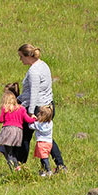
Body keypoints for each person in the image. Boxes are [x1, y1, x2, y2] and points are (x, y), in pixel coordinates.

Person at [16, 43, 66, 172]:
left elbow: (34, 93)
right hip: (49, 106)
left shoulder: (34, 71)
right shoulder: (43, 65)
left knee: (25, 137)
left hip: (38, 108)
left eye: (21, 56)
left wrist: (31, 112)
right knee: (46, 137)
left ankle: (21, 166)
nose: (20, 59)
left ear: (28, 56)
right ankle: (59, 165)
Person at [0, 82, 29, 171]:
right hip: (18, 133)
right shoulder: (21, 108)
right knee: (13, 152)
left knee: (8, 153)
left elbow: (1, 120)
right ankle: (18, 166)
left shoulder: (5, 108)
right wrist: (34, 118)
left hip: (8, 132)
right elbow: (27, 119)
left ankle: (15, 168)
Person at [30, 104, 56, 176]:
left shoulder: (38, 124)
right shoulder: (50, 123)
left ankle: (49, 170)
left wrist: (32, 119)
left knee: (44, 158)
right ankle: (43, 171)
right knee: (43, 157)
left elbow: (30, 126)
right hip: (49, 143)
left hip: (41, 143)